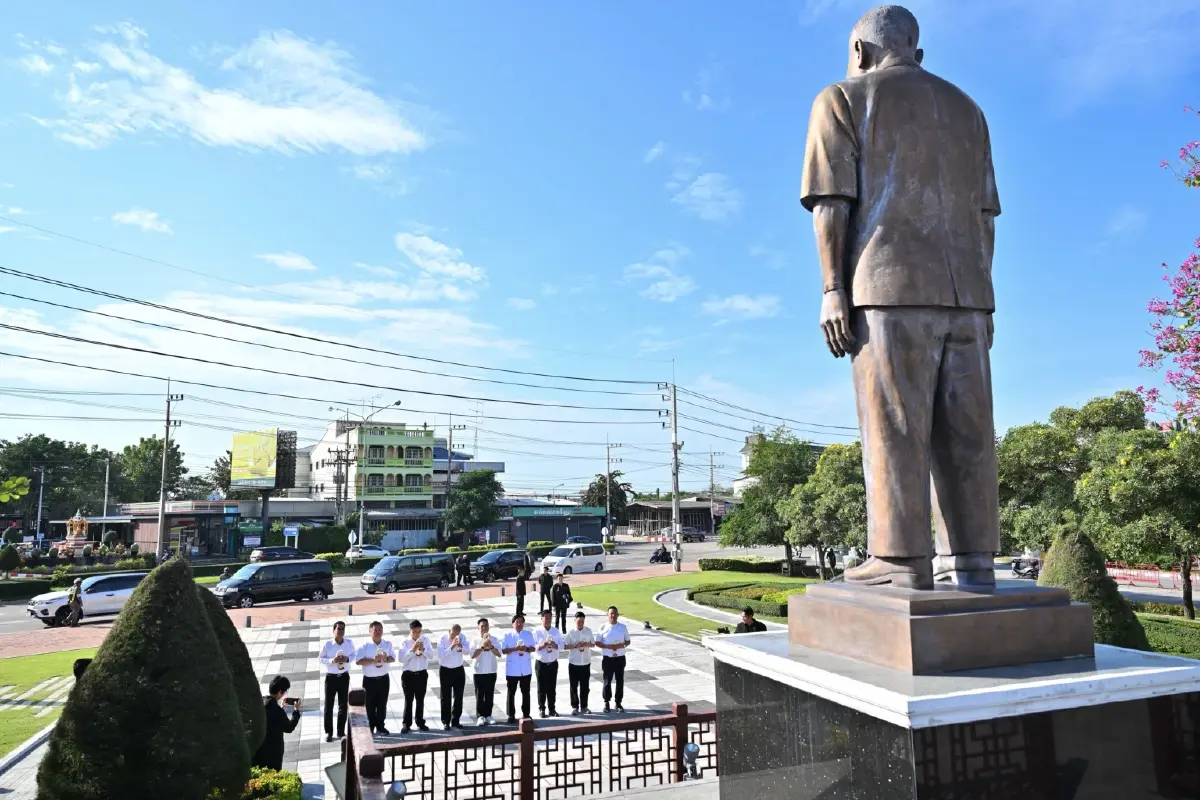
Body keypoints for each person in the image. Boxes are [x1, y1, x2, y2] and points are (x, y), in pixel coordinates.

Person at [800, 4, 1002, 589]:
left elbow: (832, 203)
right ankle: (972, 561)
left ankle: (899, 562)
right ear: (918, 51)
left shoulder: (841, 96)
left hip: (887, 287)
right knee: (967, 431)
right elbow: (986, 216)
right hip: (967, 293)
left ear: (859, 51)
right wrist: (984, 299)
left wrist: (834, 289)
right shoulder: (969, 111)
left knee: (894, 423)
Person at [355, 620, 396, 736]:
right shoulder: (364, 646)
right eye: (375, 630)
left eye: (380, 629)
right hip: (370, 681)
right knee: (370, 705)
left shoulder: (387, 644)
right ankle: (370, 727)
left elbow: (393, 658)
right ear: (370, 631)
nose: (378, 632)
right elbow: (358, 661)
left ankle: (381, 726)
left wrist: (386, 658)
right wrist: (373, 660)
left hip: (383, 679)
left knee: (382, 704)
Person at [252, 675, 301, 771]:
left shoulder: (261, 701)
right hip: (272, 752)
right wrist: (296, 711)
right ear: (280, 692)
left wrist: (281, 709)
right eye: (285, 691)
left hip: (258, 750)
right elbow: (289, 727)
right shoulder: (277, 711)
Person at [318, 620, 356, 742]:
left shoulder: (349, 643)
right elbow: (320, 658)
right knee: (328, 706)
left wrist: (348, 659)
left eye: (342, 629)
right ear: (333, 630)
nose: (340, 631)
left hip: (344, 677)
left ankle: (340, 732)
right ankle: (329, 732)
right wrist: (331, 661)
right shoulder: (328, 644)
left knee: (343, 705)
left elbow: (354, 655)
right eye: (338, 629)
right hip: (331, 677)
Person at [398, 619, 433, 734]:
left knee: (420, 699)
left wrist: (423, 649)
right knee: (409, 700)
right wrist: (413, 650)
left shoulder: (426, 640)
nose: (417, 634)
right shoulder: (405, 642)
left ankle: (420, 722)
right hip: (408, 675)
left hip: (422, 674)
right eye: (415, 632)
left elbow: (431, 656)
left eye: (419, 632)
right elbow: (401, 659)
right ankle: (406, 724)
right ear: (410, 630)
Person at [501, 613, 536, 724]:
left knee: (526, 692)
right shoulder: (507, 635)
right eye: (517, 622)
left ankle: (526, 714)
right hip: (512, 669)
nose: (519, 624)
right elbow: (503, 651)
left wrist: (526, 649)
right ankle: (511, 714)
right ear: (513, 623)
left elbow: (533, 648)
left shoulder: (528, 634)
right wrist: (514, 648)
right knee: (511, 693)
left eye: (521, 622)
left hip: (525, 669)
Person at [596, 605, 630, 713]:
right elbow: (597, 642)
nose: (613, 615)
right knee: (607, 680)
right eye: (611, 613)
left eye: (615, 613)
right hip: (608, 658)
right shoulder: (602, 627)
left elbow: (628, 641)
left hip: (620, 657)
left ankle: (618, 703)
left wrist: (622, 645)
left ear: (618, 615)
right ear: (607, 615)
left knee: (620, 680)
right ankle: (606, 702)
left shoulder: (623, 627)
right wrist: (608, 647)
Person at [470, 617, 503, 726]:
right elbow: (472, 655)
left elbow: (499, 654)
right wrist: (482, 646)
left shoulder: (494, 639)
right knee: (479, 695)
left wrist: (491, 646)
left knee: (489, 694)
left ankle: (488, 715)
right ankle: (480, 716)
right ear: (478, 628)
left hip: (491, 670)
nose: (484, 628)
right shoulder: (474, 640)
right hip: (479, 671)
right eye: (482, 626)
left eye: (486, 626)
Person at [533, 609, 564, 718]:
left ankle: (552, 708)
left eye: (550, 617)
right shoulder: (537, 631)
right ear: (541, 619)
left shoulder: (555, 631)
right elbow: (533, 647)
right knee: (541, 687)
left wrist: (555, 645)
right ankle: (542, 708)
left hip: (553, 663)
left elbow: (562, 645)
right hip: (541, 663)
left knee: (552, 687)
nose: (548, 620)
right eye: (546, 617)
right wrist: (542, 645)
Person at [563, 611, 595, 714]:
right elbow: (565, 646)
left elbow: (593, 644)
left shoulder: (588, 631)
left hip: (585, 662)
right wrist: (576, 645)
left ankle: (584, 706)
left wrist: (586, 644)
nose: (580, 623)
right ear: (575, 621)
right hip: (574, 662)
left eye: (582, 621)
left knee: (585, 686)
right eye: (578, 621)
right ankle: (575, 706)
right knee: (574, 686)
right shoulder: (571, 632)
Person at [437, 623, 468, 730]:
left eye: (457, 634)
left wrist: (461, 646)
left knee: (458, 696)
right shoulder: (442, 639)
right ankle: (446, 721)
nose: (455, 637)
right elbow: (441, 654)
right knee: (445, 697)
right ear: (448, 631)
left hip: (458, 669)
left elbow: (468, 652)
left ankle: (456, 720)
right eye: (453, 634)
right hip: (445, 670)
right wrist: (452, 646)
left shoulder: (462, 637)